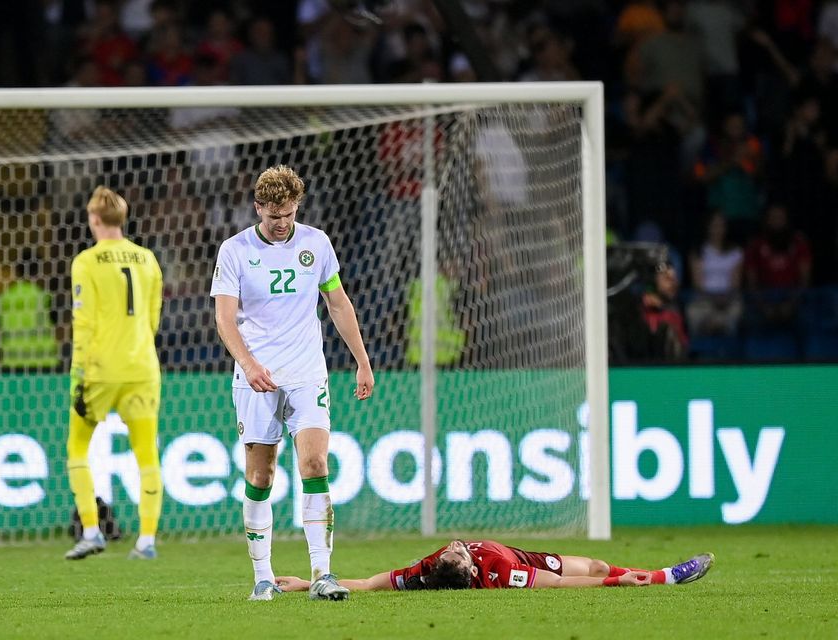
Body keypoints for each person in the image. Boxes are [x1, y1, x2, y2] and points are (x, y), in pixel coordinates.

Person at [210, 165, 374, 601]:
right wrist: (247, 363)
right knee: (260, 476)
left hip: (306, 372)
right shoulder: (235, 251)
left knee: (315, 465)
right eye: (273, 215)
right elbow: (225, 318)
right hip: (257, 378)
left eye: (289, 213)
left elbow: (337, 303)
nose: (282, 223)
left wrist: (362, 361)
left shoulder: (316, 244)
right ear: (258, 207)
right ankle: (263, 577)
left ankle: (322, 573)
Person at [65, 186, 164, 561]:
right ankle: (147, 540)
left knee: (77, 449)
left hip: (99, 370)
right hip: (142, 367)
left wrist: (78, 371)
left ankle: (91, 530)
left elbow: (83, 320)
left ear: (93, 219)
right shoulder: (148, 259)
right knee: (146, 455)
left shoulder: (86, 262)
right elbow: (153, 317)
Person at [276, 539, 715, 591]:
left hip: (525, 553)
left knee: (600, 561)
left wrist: (303, 584)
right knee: (598, 571)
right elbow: (555, 585)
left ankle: (643, 575)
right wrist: (609, 586)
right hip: (531, 562)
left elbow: (370, 584)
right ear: (469, 569)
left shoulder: (427, 570)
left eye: (451, 548)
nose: (453, 544)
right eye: (458, 552)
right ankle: (665, 577)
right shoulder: (500, 574)